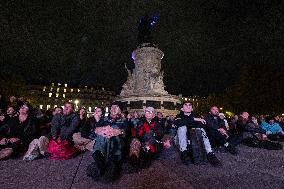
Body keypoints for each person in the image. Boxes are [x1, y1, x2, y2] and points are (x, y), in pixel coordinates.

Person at [87, 101, 129, 183]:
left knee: (114, 130)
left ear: (120, 110)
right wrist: (101, 130)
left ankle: (108, 162)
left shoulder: (124, 120)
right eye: (112, 107)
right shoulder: (104, 119)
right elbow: (95, 130)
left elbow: (127, 131)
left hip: (117, 144)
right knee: (103, 135)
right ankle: (100, 159)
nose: (113, 108)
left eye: (116, 107)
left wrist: (118, 131)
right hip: (103, 141)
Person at [174, 101, 221, 166]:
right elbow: (178, 123)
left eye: (190, 105)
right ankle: (183, 153)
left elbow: (201, 125)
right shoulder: (178, 116)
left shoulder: (197, 116)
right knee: (182, 127)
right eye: (186, 105)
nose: (188, 106)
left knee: (201, 129)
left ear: (192, 109)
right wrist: (194, 119)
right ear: (182, 109)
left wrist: (188, 121)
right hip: (180, 141)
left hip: (194, 140)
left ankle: (210, 153)